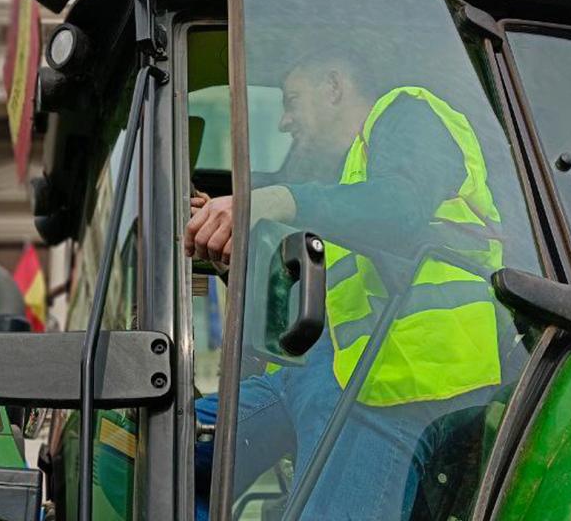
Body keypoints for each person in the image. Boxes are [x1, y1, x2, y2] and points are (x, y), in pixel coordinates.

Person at [187, 50, 511, 520]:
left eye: (292, 101)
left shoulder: (410, 112)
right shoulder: (345, 183)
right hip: (322, 373)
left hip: (408, 383)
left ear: (335, 87)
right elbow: (304, 306)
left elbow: (401, 208)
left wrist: (277, 199)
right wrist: (230, 256)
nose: (284, 122)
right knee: (148, 444)